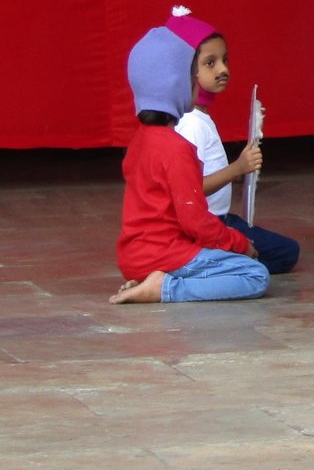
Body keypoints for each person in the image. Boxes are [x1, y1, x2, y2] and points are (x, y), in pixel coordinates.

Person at [110, 22, 269, 304]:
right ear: (176, 85)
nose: (197, 81)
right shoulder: (176, 148)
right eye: (192, 74)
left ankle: (152, 280)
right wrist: (238, 243)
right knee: (255, 274)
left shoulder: (139, 142)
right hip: (166, 254)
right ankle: (163, 288)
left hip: (133, 257)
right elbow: (195, 221)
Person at [167, 7, 300, 273]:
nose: (223, 69)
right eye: (210, 63)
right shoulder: (192, 123)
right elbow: (190, 189)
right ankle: (207, 262)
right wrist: (237, 168)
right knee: (286, 252)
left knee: (276, 247)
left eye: (224, 60)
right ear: (186, 70)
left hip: (219, 219)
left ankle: (220, 257)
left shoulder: (199, 116)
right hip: (207, 224)